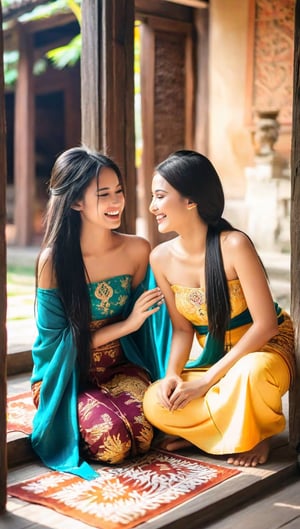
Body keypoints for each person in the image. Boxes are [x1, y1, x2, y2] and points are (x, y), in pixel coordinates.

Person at [143, 149, 295, 468]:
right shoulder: (160, 258)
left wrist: (206, 381)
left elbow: (266, 325)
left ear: (190, 200)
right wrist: (172, 375)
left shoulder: (235, 245)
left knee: (249, 374)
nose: (152, 207)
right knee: (155, 400)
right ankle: (223, 431)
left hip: (263, 351)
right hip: (212, 360)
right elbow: (183, 330)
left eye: (159, 196)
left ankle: (257, 435)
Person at [30, 146, 167, 480]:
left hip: (121, 366)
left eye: (118, 191)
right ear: (76, 201)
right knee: (114, 442)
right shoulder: (54, 262)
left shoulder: (137, 250)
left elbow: (149, 331)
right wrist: (127, 323)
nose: (116, 202)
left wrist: (166, 376)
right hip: (66, 375)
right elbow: (53, 345)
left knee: (143, 433)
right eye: (104, 195)